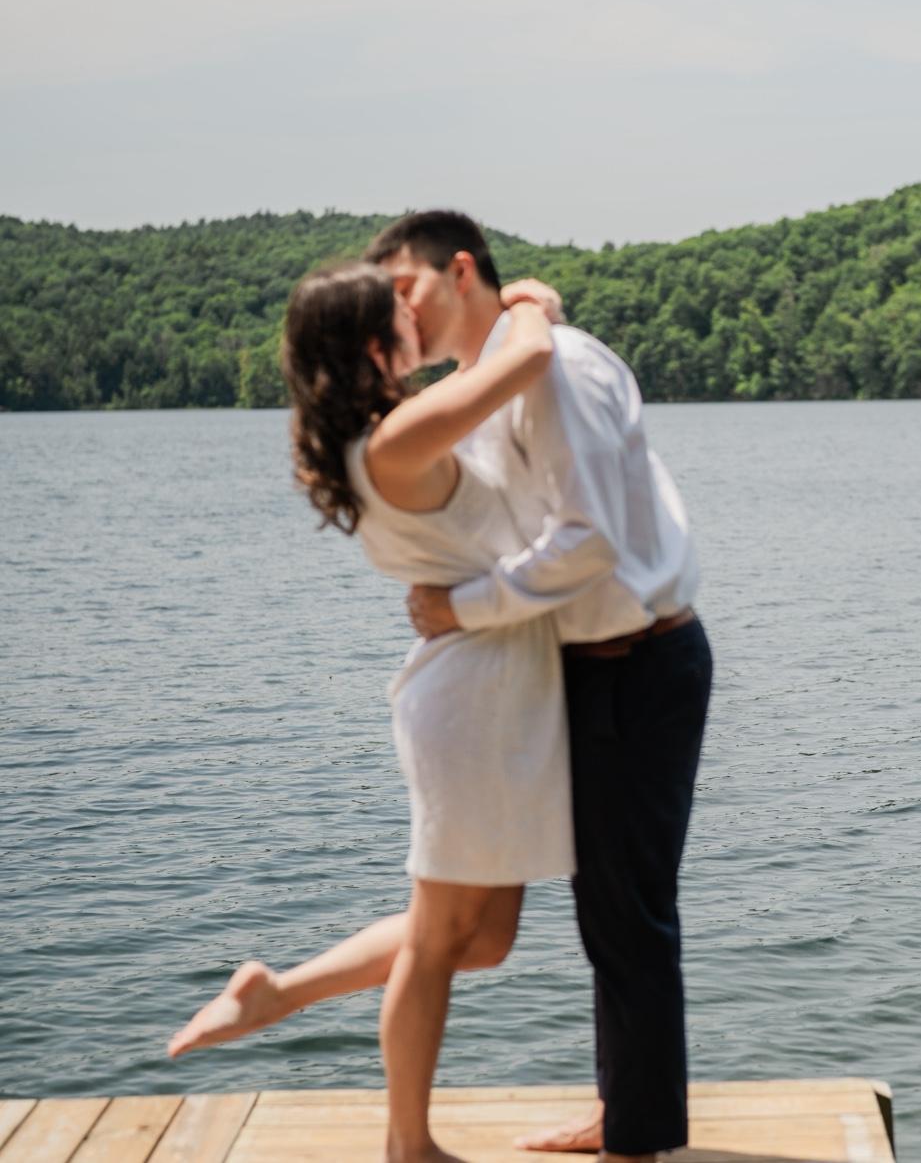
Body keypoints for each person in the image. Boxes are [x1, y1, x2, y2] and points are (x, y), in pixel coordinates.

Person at [170, 213, 713, 1163]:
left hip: (543, 675)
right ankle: (414, 1144)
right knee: (465, 932)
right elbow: (522, 372)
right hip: (486, 687)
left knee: (502, 931)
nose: (409, 316)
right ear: (368, 346)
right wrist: (531, 308)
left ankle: (283, 995)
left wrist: (527, 319)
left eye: (408, 289)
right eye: (391, 307)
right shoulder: (421, 422)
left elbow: (569, 500)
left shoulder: (447, 404)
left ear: (458, 272)